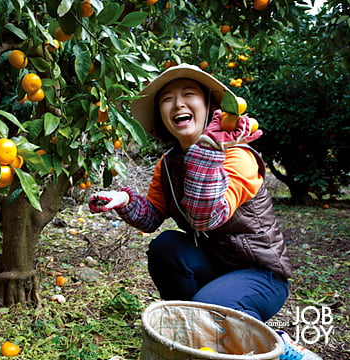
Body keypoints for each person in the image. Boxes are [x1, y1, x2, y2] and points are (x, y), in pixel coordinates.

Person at [88, 63, 322, 360]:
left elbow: (206, 216)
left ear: (210, 108)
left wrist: (209, 148)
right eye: (167, 99)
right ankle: (196, 332)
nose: (179, 104)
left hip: (260, 275)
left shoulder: (238, 157)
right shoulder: (168, 163)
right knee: (166, 247)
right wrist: (123, 199)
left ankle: (278, 342)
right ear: (162, 114)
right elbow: (152, 218)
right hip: (214, 266)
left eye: (189, 94)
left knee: (211, 307)